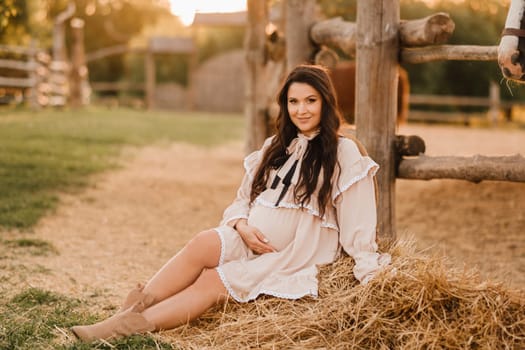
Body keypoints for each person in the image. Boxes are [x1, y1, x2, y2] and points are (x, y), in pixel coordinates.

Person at [71, 64, 391, 342]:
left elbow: (358, 217)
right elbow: (243, 199)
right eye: (293, 101)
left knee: (212, 281)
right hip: (249, 237)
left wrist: (368, 268)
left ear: (326, 102)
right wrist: (242, 226)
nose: (301, 110)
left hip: (294, 255)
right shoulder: (275, 147)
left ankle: (131, 326)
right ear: (285, 105)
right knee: (202, 242)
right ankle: (131, 308)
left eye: (311, 101)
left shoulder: (342, 151)